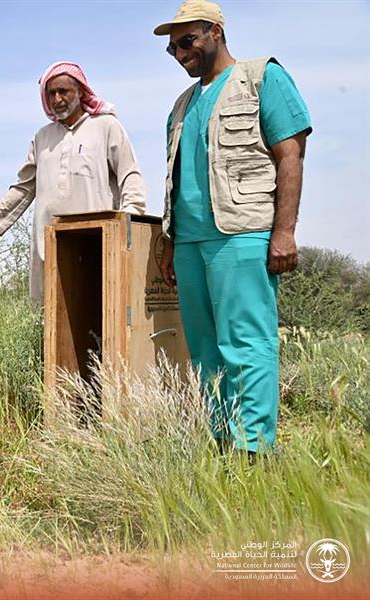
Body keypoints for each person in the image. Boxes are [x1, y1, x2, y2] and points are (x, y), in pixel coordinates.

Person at [154, 0, 311, 454]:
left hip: (242, 234)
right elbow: (177, 178)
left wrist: (284, 231)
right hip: (190, 242)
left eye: (187, 41)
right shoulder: (181, 106)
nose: (180, 53)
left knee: (246, 344)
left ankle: (253, 450)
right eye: (172, 48)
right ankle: (222, 443)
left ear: (216, 33)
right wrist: (170, 241)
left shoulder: (262, 78)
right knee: (205, 351)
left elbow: (290, 154)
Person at [0, 62, 146, 303]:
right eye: (51, 93)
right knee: (51, 308)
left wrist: (130, 219)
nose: (57, 99)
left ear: (81, 92)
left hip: (96, 239)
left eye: (63, 91)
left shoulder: (106, 126)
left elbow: (129, 174)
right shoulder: (43, 137)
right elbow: (24, 186)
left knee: (98, 304)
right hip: (50, 241)